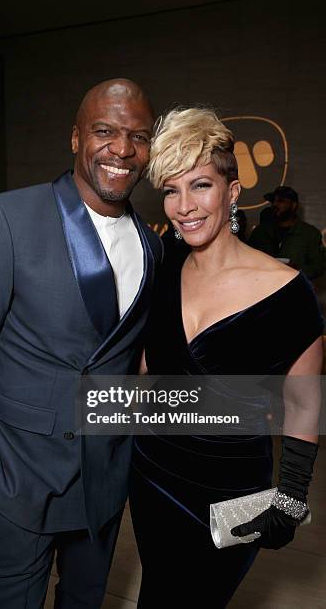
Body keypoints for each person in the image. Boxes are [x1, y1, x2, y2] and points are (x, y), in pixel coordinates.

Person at [0, 78, 162, 609]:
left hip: (103, 484)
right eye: (105, 131)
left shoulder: (152, 244)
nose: (123, 149)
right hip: (16, 481)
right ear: (76, 138)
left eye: (138, 136)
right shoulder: (6, 218)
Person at [129, 108, 324, 608]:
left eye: (200, 186)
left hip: (232, 496)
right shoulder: (163, 264)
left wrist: (292, 495)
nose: (183, 206)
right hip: (152, 476)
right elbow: (151, 368)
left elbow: (303, 405)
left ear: (232, 191)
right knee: (156, 592)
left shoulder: (289, 294)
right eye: (171, 190)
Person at [248, 185, 325, 279]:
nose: (275, 204)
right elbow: (247, 260)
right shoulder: (260, 231)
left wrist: (296, 270)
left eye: (281, 201)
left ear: (293, 205)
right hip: (264, 289)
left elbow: (318, 267)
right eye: (273, 201)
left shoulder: (309, 234)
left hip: (295, 290)